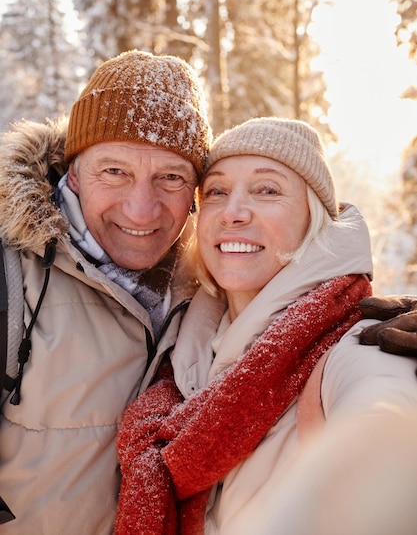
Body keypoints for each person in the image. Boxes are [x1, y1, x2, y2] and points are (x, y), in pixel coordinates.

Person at [114, 117, 417, 534]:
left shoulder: (356, 347)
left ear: (313, 220)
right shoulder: (177, 361)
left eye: (267, 190)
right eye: (217, 192)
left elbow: (386, 422)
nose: (234, 213)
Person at [0, 49, 211, 533]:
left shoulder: (213, 283)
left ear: (197, 191)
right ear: (72, 172)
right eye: (114, 171)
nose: (141, 210)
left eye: (171, 177)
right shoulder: (12, 274)